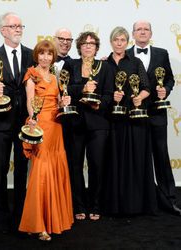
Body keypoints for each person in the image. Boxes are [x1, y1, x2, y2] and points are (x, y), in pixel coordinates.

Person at [0, 12, 33, 233]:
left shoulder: (32, 54)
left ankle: (21, 214)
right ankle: (1, 215)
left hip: (24, 123)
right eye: (13, 26)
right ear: (2, 30)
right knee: (0, 170)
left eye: (20, 26)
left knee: (21, 170)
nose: (18, 29)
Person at [18, 40, 73, 241]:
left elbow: (56, 101)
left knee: (55, 168)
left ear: (53, 57)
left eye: (49, 54)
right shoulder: (31, 74)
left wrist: (63, 102)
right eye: (42, 54)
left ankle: (56, 218)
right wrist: (32, 120)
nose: (45, 58)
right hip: (40, 125)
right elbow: (30, 100)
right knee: (41, 170)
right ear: (36, 55)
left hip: (56, 125)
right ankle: (38, 223)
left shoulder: (56, 76)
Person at [127, 20, 181, 215]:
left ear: (151, 33)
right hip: (134, 114)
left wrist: (165, 90)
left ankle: (169, 199)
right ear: (133, 34)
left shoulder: (162, 53)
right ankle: (140, 199)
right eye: (139, 29)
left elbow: (170, 79)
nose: (142, 32)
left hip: (157, 113)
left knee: (161, 155)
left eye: (146, 29)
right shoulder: (125, 54)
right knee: (137, 157)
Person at [103, 26, 158, 215]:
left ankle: (135, 204)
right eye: (116, 40)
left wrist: (140, 98)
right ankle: (112, 205)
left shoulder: (135, 62)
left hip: (133, 120)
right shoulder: (103, 63)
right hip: (111, 119)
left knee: (134, 161)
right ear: (111, 42)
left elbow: (146, 86)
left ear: (128, 42)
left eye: (123, 40)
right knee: (113, 162)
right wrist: (112, 99)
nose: (119, 43)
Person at [62, 31, 114, 221]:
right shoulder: (71, 64)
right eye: (84, 43)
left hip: (99, 123)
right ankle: (79, 205)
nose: (88, 46)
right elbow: (65, 88)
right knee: (75, 166)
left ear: (97, 47)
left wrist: (99, 102)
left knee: (97, 165)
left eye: (92, 43)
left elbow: (109, 94)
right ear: (79, 46)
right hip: (75, 122)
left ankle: (96, 205)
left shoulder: (105, 67)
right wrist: (82, 89)